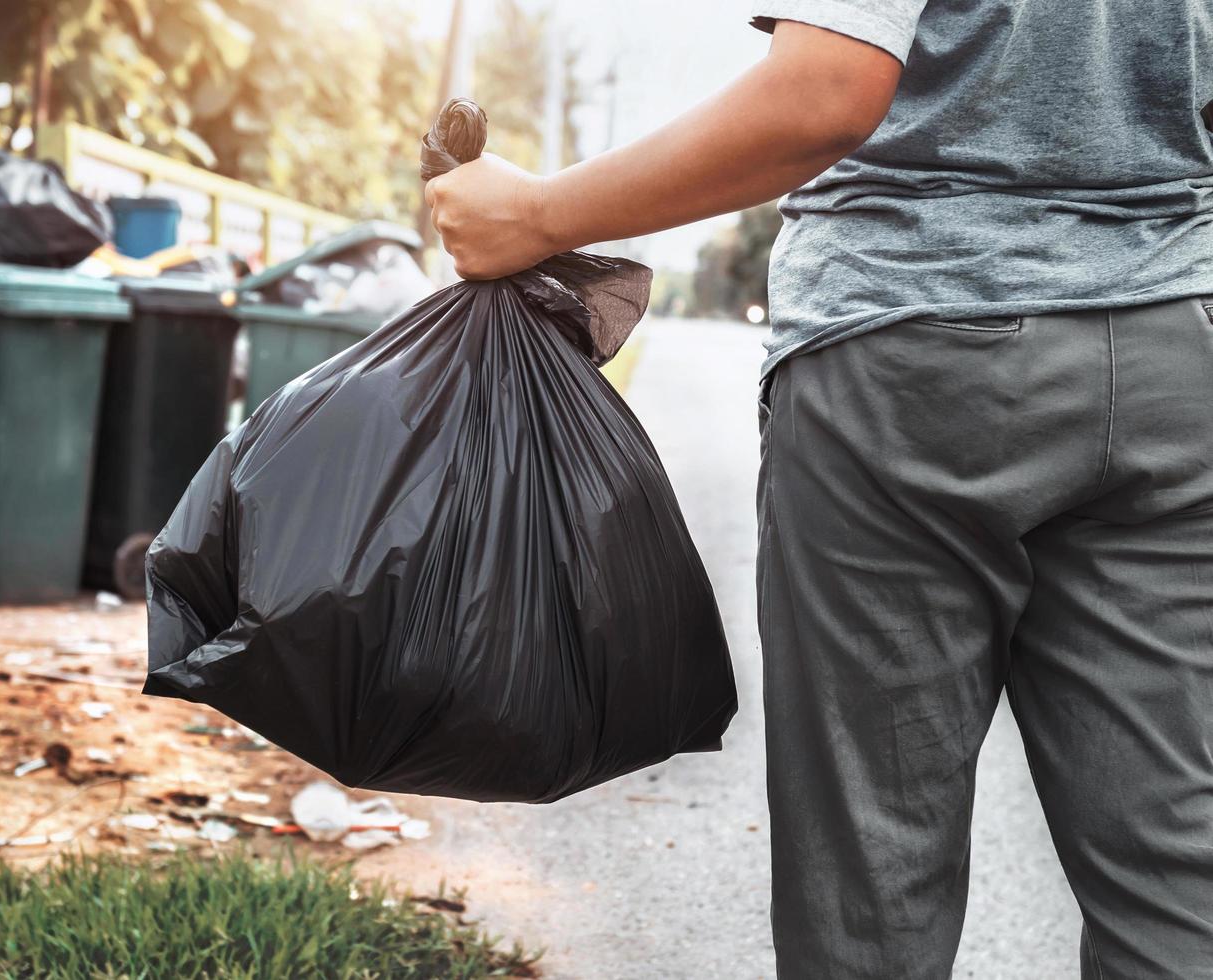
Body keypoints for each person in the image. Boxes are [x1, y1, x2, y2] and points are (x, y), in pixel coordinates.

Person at [424, 2, 1213, 977]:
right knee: (1177, 881)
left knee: (870, 889)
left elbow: (829, 88)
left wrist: (536, 214)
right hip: (1171, 350)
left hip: (910, 356)